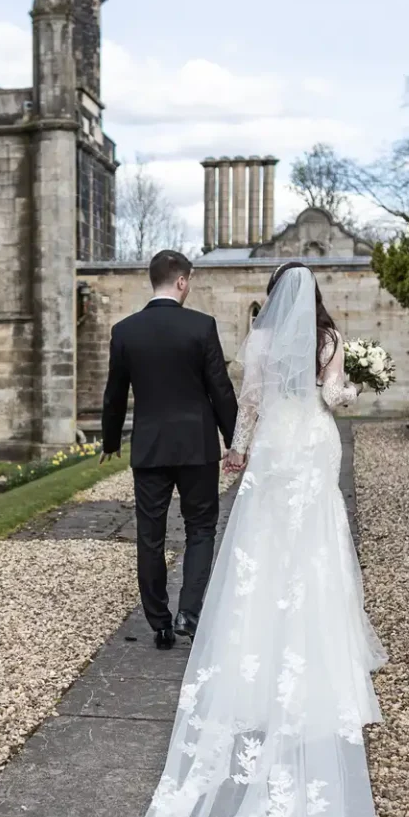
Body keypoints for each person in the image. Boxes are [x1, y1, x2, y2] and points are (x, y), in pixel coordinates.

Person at [115, 263, 398, 817]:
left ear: (272, 299)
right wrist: (357, 381)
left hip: (276, 449)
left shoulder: (264, 343)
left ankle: (255, 659)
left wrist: (238, 453)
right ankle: (319, 657)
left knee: (262, 552)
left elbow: (248, 404)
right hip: (315, 446)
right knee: (317, 551)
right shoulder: (330, 340)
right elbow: (337, 402)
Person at [99, 249, 238, 651]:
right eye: (189, 281)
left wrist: (110, 441)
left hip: (150, 447)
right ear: (181, 281)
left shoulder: (126, 331)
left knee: (151, 535)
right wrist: (235, 440)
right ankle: (188, 613)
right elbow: (220, 389)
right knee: (201, 528)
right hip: (196, 445)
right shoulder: (201, 326)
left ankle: (159, 622)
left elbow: (114, 395)